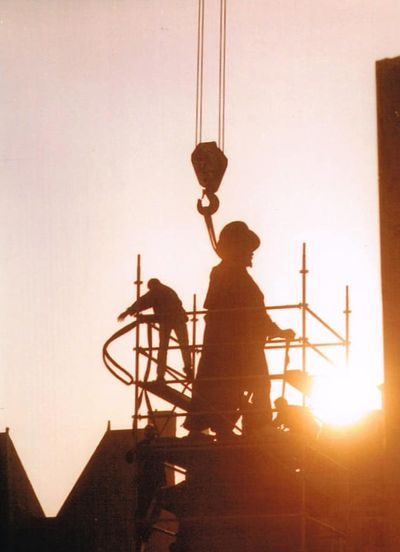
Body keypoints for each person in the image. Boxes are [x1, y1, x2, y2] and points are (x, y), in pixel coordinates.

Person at [184, 221, 295, 438]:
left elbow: (252, 314)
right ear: (237, 247)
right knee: (255, 384)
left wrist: (275, 331)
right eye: (248, 248)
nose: (251, 254)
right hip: (236, 347)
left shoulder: (227, 273)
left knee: (223, 387)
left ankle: (222, 426)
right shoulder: (229, 274)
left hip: (232, 345)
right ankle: (258, 426)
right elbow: (250, 313)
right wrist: (275, 331)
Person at [118, 278, 192, 381]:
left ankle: (161, 375)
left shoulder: (157, 291)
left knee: (163, 348)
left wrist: (128, 312)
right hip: (178, 320)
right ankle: (188, 369)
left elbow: (143, 301)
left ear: (152, 286)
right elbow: (145, 301)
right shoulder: (168, 290)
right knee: (184, 345)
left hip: (168, 321)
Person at [126, 424, 167, 548]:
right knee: (151, 509)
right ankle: (143, 533)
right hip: (151, 481)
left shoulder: (144, 445)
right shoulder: (154, 445)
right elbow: (129, 456)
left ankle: (142, 533)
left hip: (148, 481)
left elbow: (129, 457)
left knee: (146, 509)